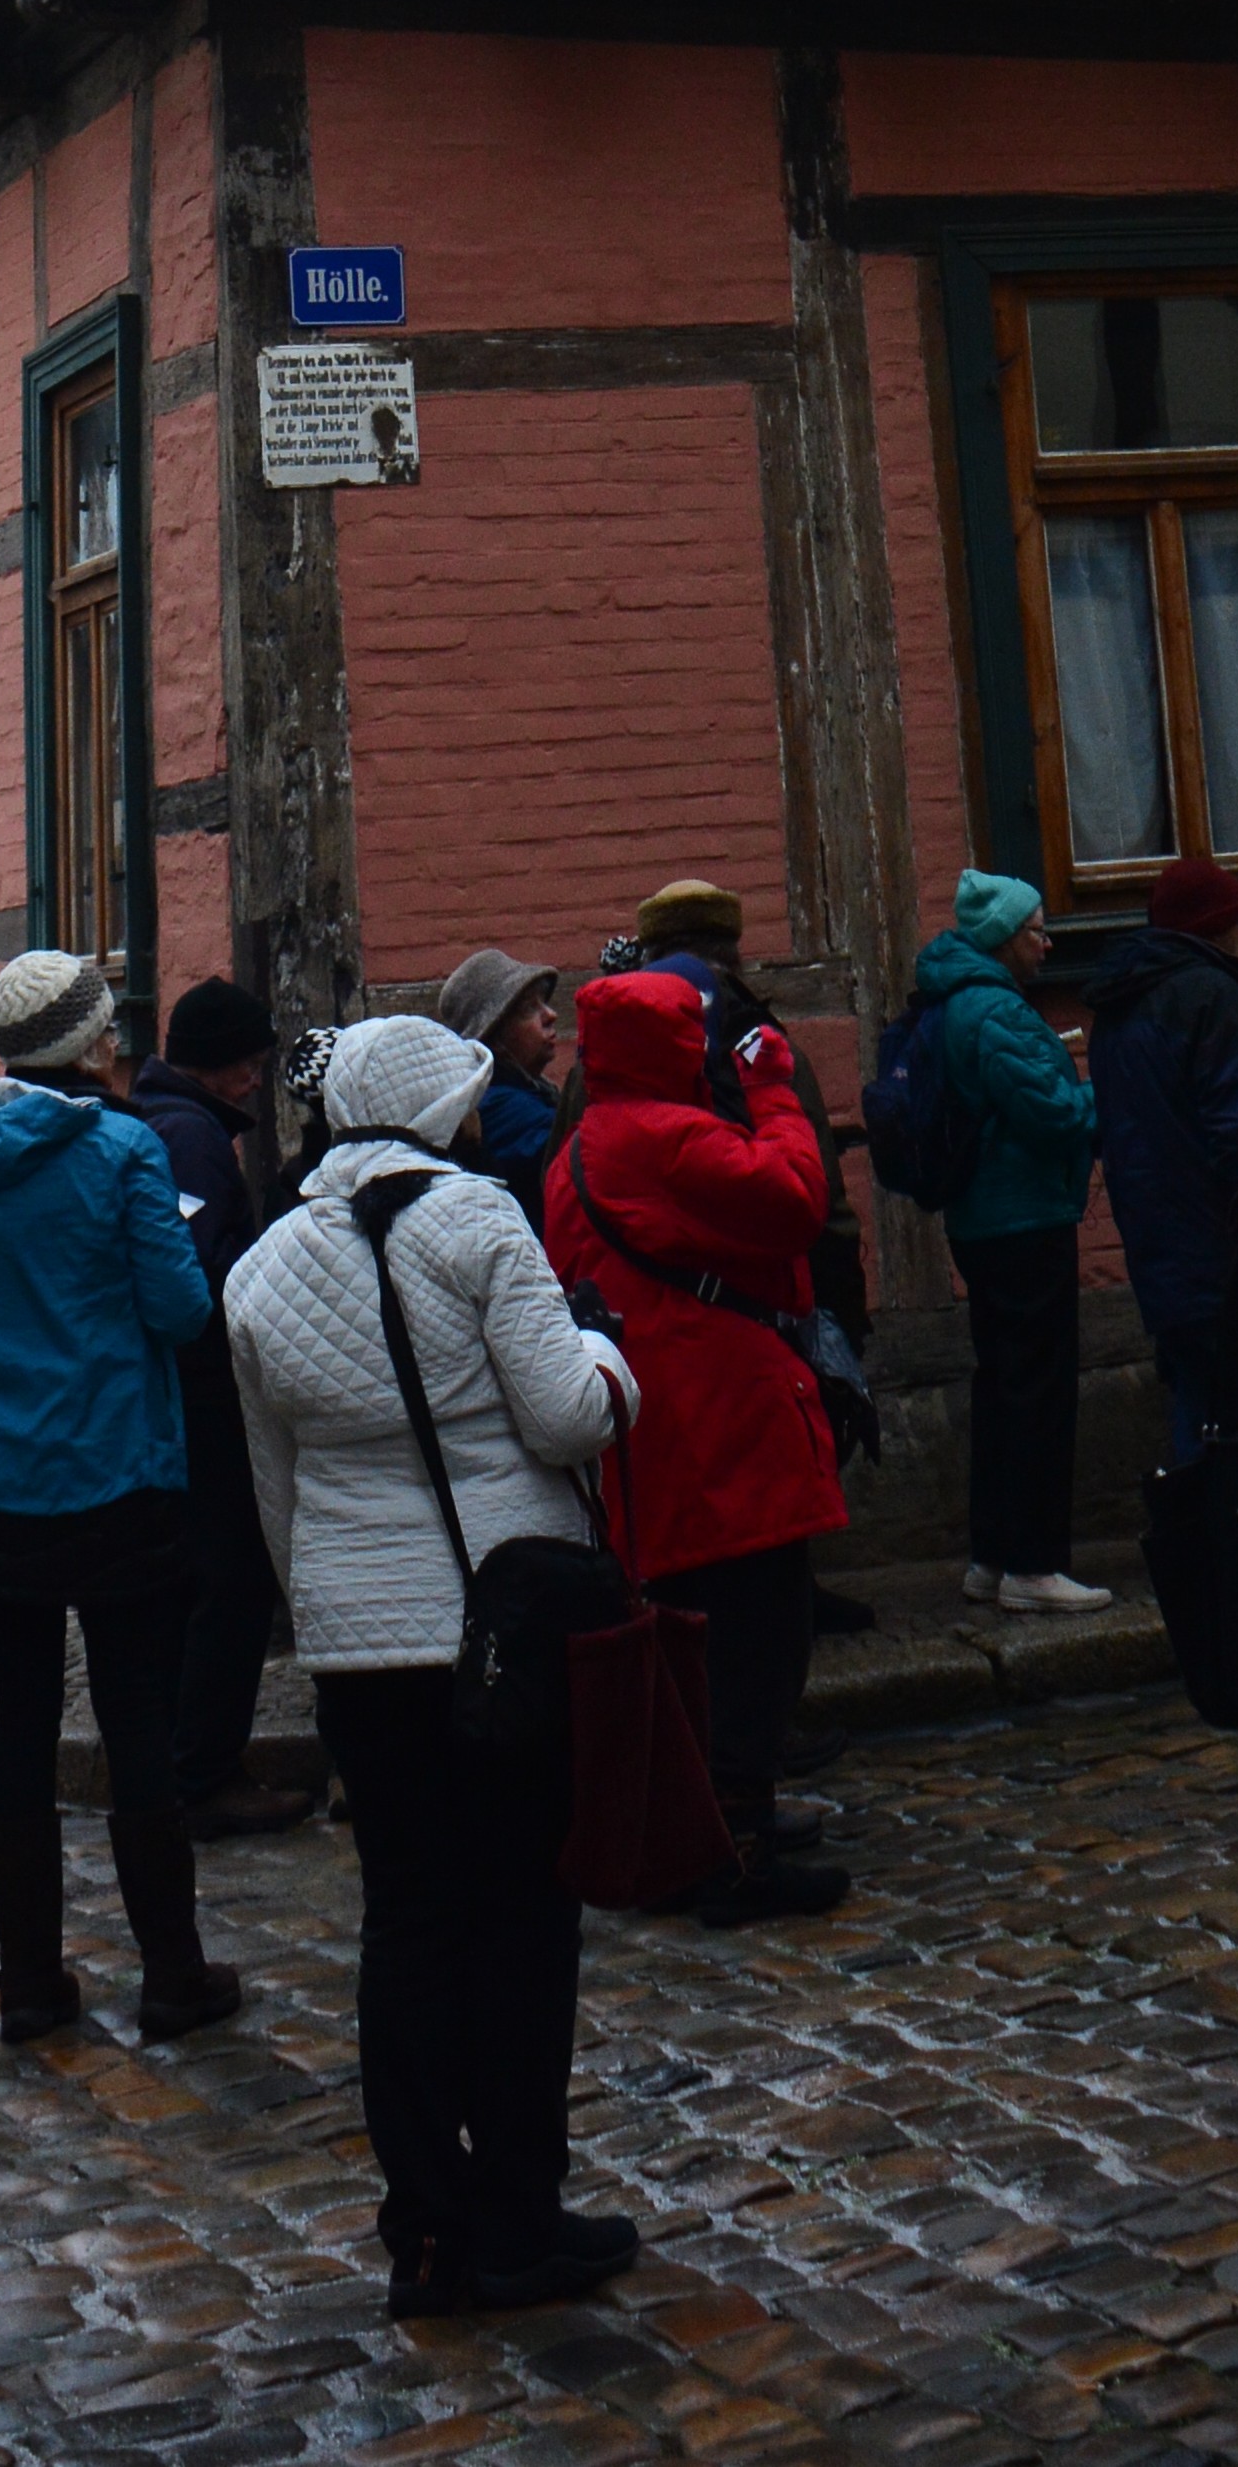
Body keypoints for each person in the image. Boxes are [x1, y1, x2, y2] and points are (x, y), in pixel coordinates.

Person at [228, 1008, 645, 2316]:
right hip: (496, 1624)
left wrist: (329, 1606)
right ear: (432, 1108)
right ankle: (518, 2217)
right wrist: (606, 1353)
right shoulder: (478, 1219)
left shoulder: (260, 1264)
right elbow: (566, 1415)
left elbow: (272, 1487)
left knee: (405, 1922)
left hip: (361, 1641)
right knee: (519, 1915)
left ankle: (420, 2231)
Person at [0, 944, 238, 2048]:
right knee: (136, 1720)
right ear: (87, 1044)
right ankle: (172, 1973)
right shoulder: (125, 1149)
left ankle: (32, 1981)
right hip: (109, 1472)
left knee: (23, 1716)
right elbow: (181, 1309)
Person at [547, 965, 851, 1925]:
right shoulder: (667, 1135)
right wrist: (770, 1086)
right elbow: (794, 1195)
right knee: (758, 1630)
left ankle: (707, 1830)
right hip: (717, 1421)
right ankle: (735, 1851)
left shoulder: (582, 1145)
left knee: (692, 1634)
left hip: (655, 1427)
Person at [906, 867, 1109, 1613]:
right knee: (1037, 1392)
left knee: (1002, 1385)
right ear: (1002, 939)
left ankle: (991, 1557)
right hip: (1021, 1218)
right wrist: (1108, 1093)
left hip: (986, 1220)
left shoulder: (960, 1000)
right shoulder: (995, 1010)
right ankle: (1033, 1566)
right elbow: (1052, 1115)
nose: (1046, 943)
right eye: (1035, 931)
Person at [134, 977, 307, 1837]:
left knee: (199, 1582)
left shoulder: (172, 1123)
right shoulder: (191, 1139)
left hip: (184, 1394)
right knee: (228, 1579)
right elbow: (201, 1278)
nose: (256, 1076)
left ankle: (186, 1765)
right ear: (215, 1061)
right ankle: (204, 1773)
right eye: (248, 1060)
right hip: (204, 1395)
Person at [1086, 858, 1238, 1460]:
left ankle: (1203, 1516)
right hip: (1222, 1245)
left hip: (1158, 1241)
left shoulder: (1120, 1005)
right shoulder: (1211, 996)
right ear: (1213, 928)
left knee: (1197, 1410)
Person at [626, 883, 871, 1346]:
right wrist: (844, 1315)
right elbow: (823, 1208)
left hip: (640, 1327)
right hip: (766, 1319)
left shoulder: (605, 1063)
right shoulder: (768, 1052)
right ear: (735, 958)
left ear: (649, 958)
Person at [433, 947, 569, 1219]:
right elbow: (578, 1151)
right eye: (529, 1009)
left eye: (543, 1002)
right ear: (494, 1040)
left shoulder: (526, 1092)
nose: (550, 1015)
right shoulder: (501, 1107)